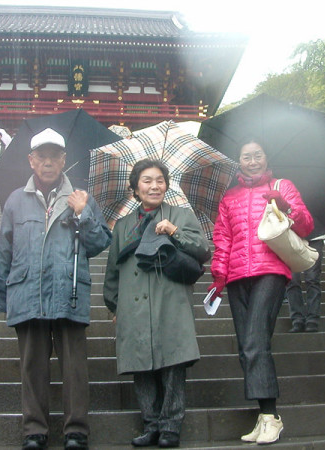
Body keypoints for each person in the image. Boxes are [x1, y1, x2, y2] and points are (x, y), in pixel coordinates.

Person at [0, 128, 112, 450]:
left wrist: (83, 213)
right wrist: (5, 298)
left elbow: (100, 242)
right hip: (27, 292)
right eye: (41, 157)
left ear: (63, 160)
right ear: (32, 161)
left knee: (75, 369)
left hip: (68, 290)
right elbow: (4, 250)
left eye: (54, 157)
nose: (48, 162)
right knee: (32, 367)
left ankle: (76, 431)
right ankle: (35, 430)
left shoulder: (82, 197)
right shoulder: (16, 200)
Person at [209, 138, 313, 445]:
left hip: (271, 272)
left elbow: (306, 226)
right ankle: (263, 415)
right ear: (238, 161)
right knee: (246, 346)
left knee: (255, 340)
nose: (252, 161)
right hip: (237, 276)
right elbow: (223, 237)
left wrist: (285, 205)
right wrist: (218, 274)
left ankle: (271, 417)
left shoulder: (284, 186)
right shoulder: (230, 197)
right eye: (246, 157)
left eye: (257, 156)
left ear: (266, 158)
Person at [103, 159, 211, 448]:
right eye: (147, 180)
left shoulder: (181, 215)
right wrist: (114, 306)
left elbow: (203, 250)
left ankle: (171, 426)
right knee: (141, 364)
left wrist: (174, 231)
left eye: (160, 180)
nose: (154, 186)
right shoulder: (124, 225)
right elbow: (113, 270)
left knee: (173, 362)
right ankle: (150, 424)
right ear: (136, 188)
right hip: (134, 305)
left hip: (170, 301)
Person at [286, 233, 325, 333]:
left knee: (312, 278)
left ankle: (313, 318)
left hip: (315, 235)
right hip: (290, 235)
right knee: (292, 280)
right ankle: (297, 319)